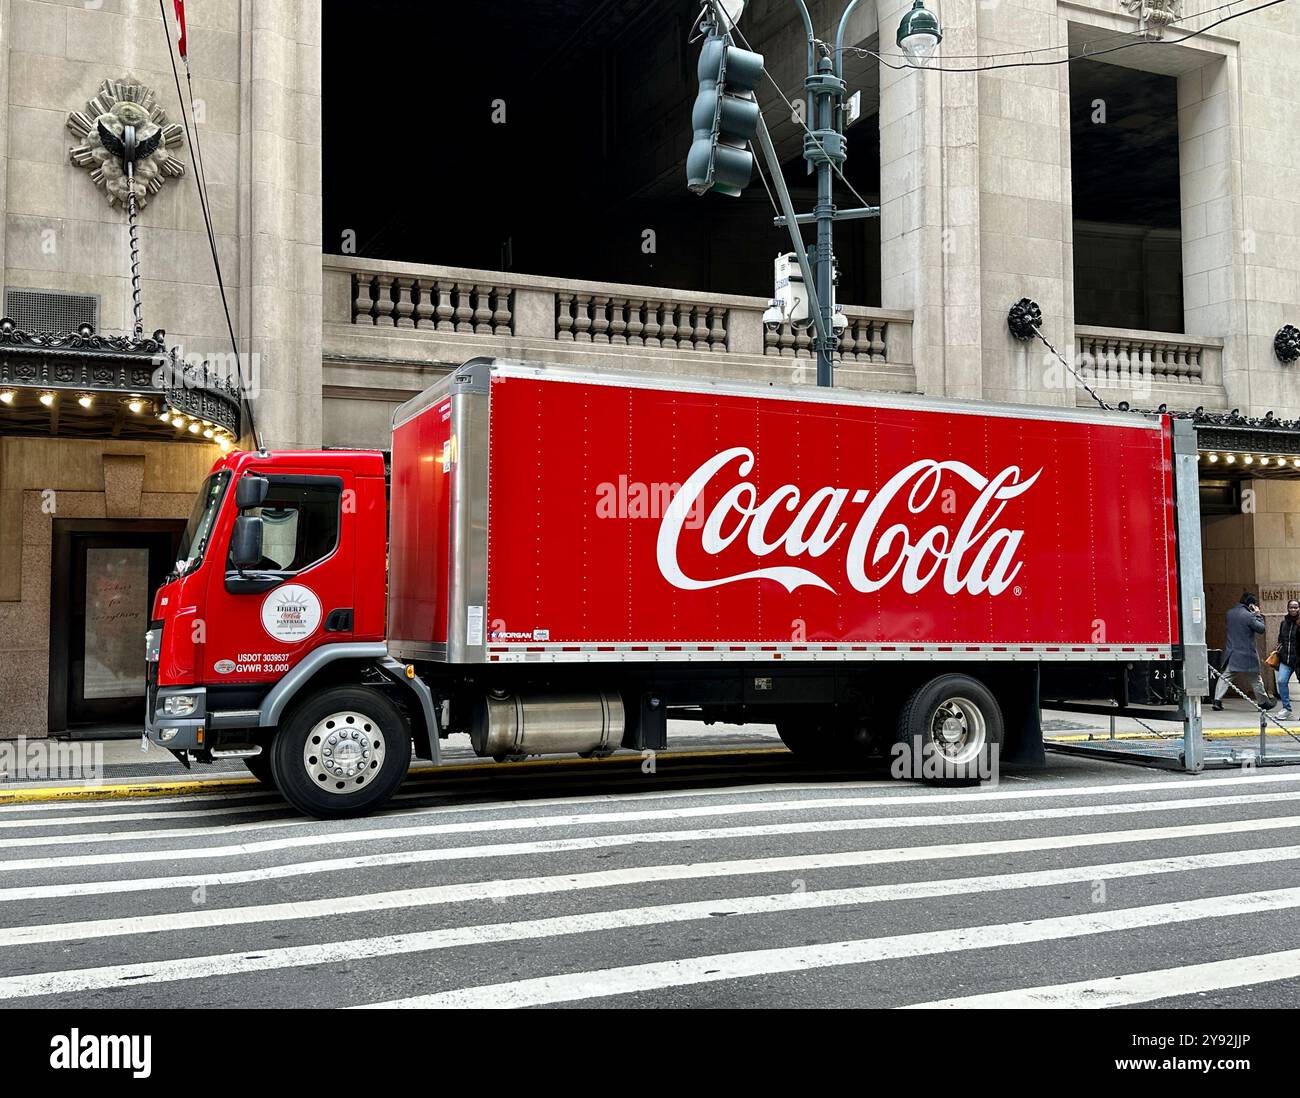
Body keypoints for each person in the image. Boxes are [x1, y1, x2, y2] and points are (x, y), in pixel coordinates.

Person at [1212, 592, 1274, 711]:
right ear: (1251, 604)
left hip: (1232, 652)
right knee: (1255, 679)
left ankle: (1217, 700)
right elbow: (1261, 629)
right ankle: (1263, 702)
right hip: (1247, 654)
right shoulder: (1249, 616)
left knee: (1225, 677)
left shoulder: (1229, 613)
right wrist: (1258, 615)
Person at [1275, 598, 1299, 720]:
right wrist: (1279, 648)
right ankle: (1286, 709)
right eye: (1291, 607)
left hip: (1298, 660)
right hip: (1286, 659)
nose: (1293, 609)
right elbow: (1280, 639)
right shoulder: (1284, 623)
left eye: (1296, 607)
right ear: (1287, 608)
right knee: (1281, 681)